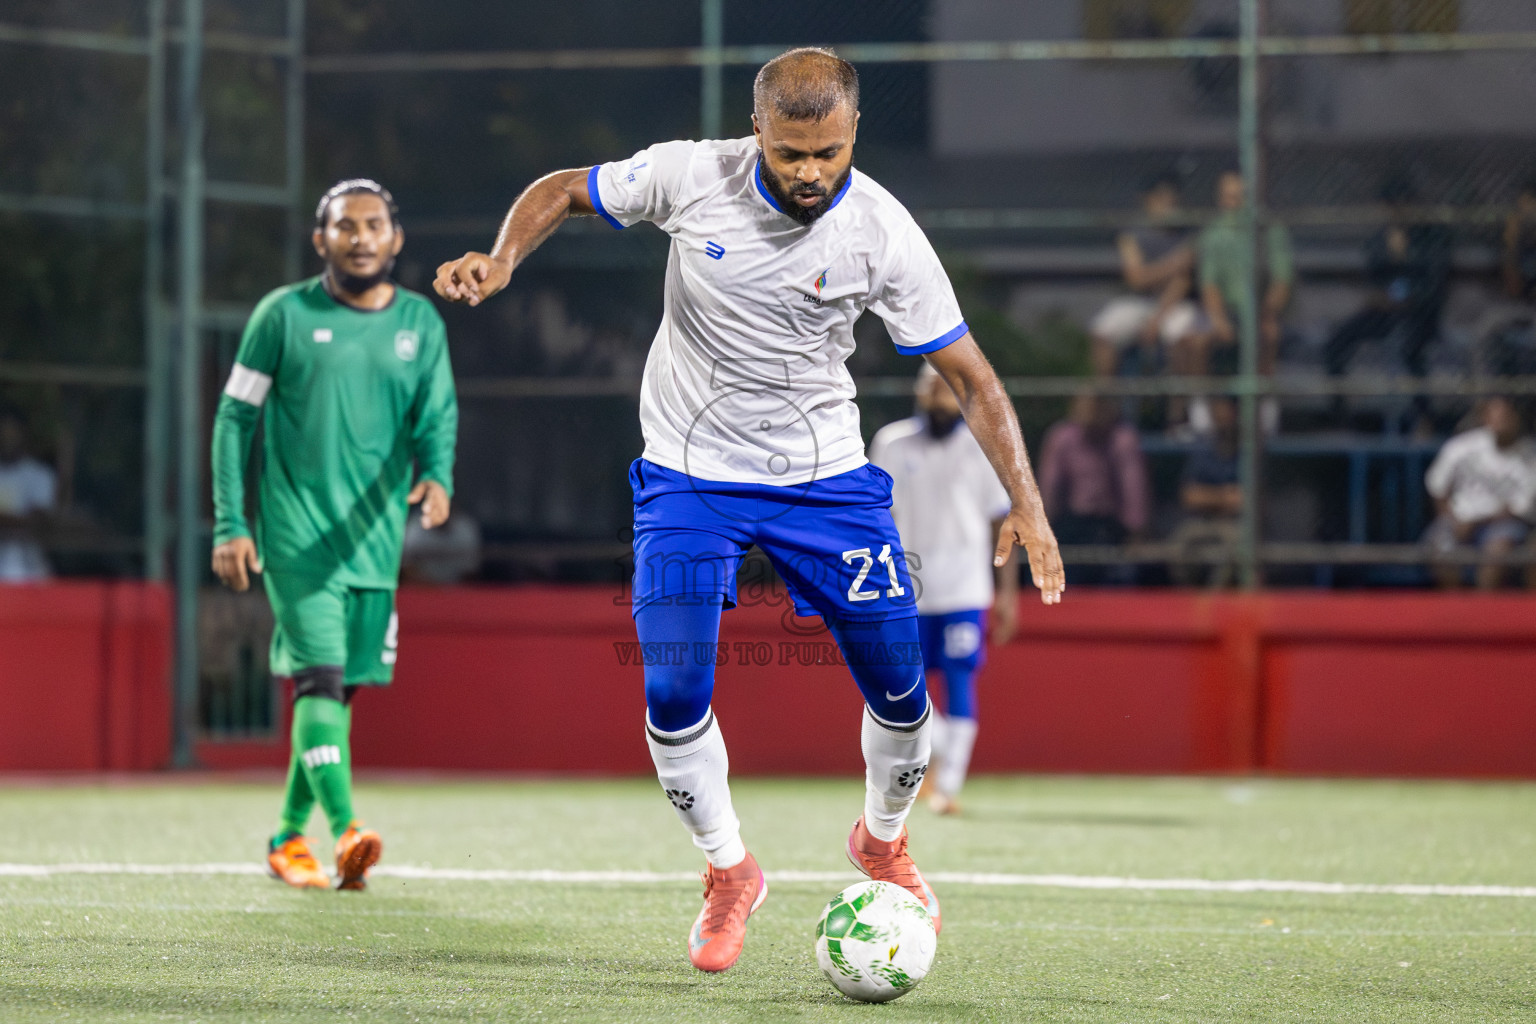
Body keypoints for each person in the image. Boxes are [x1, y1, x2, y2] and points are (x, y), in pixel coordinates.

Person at [434, 47, 1064, 973]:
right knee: (674, 686)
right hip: (691, 477)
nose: (811, 173)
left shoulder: (885, 231)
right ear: (757, 130)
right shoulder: (694, 174)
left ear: (854, 134)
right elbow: (567, 188)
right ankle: (729, 870)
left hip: (829, 483)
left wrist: (1030, 506)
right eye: (791, 153)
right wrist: (503, 257)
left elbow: (970, 375)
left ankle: (883, 840)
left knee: (901, 688)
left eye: (830, 153)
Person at [210, 179, 459, 892]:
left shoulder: (420, 324)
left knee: (336, 698)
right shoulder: (281, 316)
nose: (359, 236)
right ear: (321, 240)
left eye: (373, 224)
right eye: (343, 226)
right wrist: (231, 521)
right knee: (318, 680)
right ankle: (349, 832)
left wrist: (438, 476)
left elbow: (435, 415)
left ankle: (288, 839)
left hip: (375, 548)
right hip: (295, 540)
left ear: (395, 238)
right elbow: (234, 420)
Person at [868, 365, 1019, 817]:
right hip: (906, 590)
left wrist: (1007, 592)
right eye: (932, 389)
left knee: (959, 680)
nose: (940, 399)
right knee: (906, 689)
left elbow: (1000, 520)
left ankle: (948, 786)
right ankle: (924, 769)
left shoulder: (981, 447)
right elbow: (877, 519)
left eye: (947, 391)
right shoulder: (891, 444)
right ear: (918, 394)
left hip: (964, 589)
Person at [1089, 173, 1204, 410]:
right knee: (1103, 331)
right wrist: (1172, 265)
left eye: (1172, 200)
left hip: (1175, 305)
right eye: (1160, 199)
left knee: (1184, 336)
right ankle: (1106, 405)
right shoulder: (1132, 234)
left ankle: (1181, 414)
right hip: (1139, 302)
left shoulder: (1189, 235)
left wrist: (1157, 318)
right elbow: (1136, 279)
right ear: (1148, 201)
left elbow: (1182, 283)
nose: (1167, 205)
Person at [1324, 177, 1452, 382]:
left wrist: (1404, 256)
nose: (1394, 215)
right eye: (1389, 209)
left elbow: (1431, 284)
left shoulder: (1432, 235)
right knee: (1335, 343)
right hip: (1385, 312)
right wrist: (1391, 255)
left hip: (1420, 314)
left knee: (1408, 348)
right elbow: (1376, 278)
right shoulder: (1382, 238)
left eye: (1399, 207)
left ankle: (1423, 411)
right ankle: (1339, 408)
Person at [1200, 169, 1292, 432]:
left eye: (1239, 197)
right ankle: (1203, 415)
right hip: (1227, 312)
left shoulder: (1271, 230)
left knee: (1269, 336)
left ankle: (1265, 409)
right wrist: (1218, 321)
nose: (1233, 204)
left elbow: (1281, 280)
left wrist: (1267, 314)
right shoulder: (1213, 234)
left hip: (1262, 312)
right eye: (1227, 197)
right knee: (1200, 342)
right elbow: (1210, 285)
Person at [1423, 397, 1536, 590]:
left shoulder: (1530, 454)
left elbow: (1520, 506)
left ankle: (1483, 608)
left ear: (1517, 419)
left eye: (1507, 416)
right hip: (1458, 517)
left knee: (1498, 548)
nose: (1502, 422)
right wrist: (1450, 518)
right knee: (1440, 545)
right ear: (1485, 418)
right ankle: (1455, 608)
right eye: (1496, 416)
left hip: (1504, 523)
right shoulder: (1462, 446)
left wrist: (1475, 523)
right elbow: (1437, 485)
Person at [1037, 392, 1150, 584]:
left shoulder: (1122, 440)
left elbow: (1134, 492)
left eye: (1099, 406)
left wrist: (1136, 534)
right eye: (1087, 406)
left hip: (1112, 526)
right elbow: (1050, 487)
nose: (1092, 413)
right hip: (1070, 524)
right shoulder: (1061, 438)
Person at [1168, 395, 1243, 587]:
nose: (1222, 415)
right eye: (1217, 409)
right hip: (1201, 521)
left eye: (1226, 410)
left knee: (1236, 546)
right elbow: (1190, 496)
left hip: (1235, 524)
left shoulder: (1249, 450)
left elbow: (1246, 500)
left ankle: (1214, 600)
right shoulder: (1203, 448)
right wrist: (1223, 496)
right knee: (1179, 544)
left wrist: (1209, 496)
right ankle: (1188, 602)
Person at [0, 411, 57, 583]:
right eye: (3, 433)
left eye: (12, 433)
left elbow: (38, 521)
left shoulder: (40, 475)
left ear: (24, 435)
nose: (7, 439)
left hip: (30, 574)